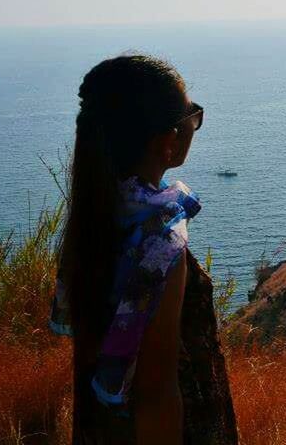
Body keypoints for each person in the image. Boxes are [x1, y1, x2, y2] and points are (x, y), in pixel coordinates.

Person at [50, 55, 237, 445]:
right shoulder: (159, 241)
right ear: (168, 142)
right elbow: (157, 393)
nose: (195, 121)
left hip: (101, 427)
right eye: (192, 115)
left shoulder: (96, 214)